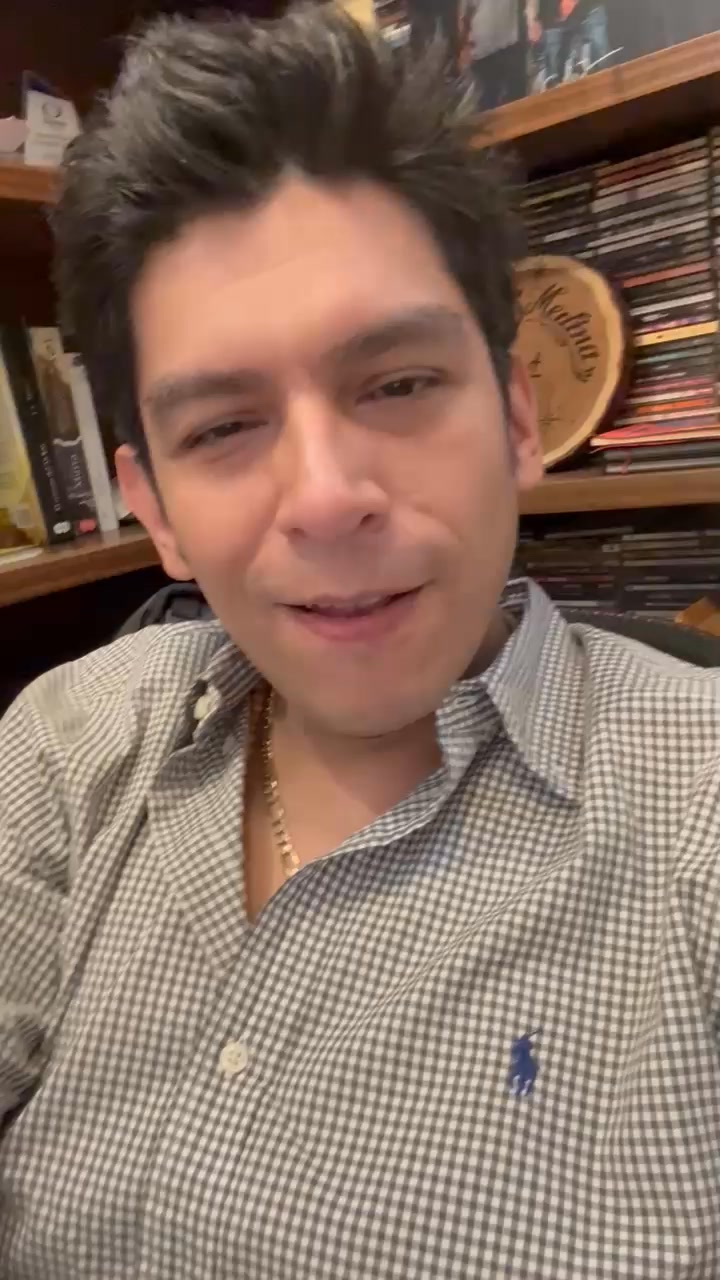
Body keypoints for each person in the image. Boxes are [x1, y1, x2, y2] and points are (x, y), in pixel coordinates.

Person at [0, 7, 719, 1277]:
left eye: (397, 384)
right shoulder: (68, 742)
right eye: (224, 427)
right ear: (154, 507)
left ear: (516, 417)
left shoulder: (695, 810)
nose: (328, 497)